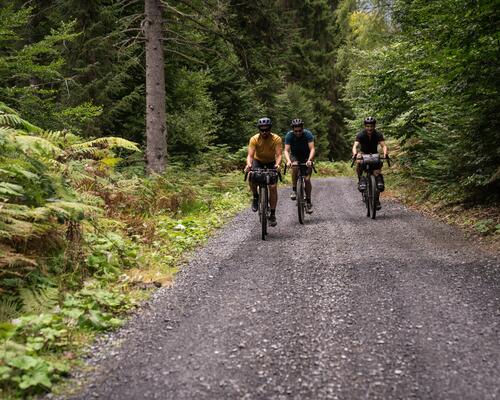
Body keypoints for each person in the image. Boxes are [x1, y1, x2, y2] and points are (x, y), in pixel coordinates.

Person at [245, 117, 282, 226]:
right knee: (251, 176)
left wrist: (278, 164)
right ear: (259, 129)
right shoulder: (254, 139)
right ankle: (256, 197)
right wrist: (249, 165)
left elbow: (279, 155)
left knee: (273, 187)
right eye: (262, 129)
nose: (264, 132)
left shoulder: (276, 139)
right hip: (258, 161)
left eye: (266, 129)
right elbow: (250, 155)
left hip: (271, 162)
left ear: (270, 129)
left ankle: (273, 214)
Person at [352, 116, 388, 210]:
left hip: (374, 154)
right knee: (359, 160)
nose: (369, 128)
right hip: (363, 153)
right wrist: (355, 153)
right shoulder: (361, 134)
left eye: (371, 126)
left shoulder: (378, 134)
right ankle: (361, 180)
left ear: (374, 126)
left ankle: (376, 200)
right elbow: (355, 145)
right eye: (368, 126)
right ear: (365, 126)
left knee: (377, 176)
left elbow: (383, 145)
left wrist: (385, 152)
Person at [284, 118, 315, 213]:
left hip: (306, 156)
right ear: (293, 130)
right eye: (296, 131)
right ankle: (294, 189)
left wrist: (310, 160)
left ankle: (308, 201)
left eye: (300, 130)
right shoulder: (289, 135)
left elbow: (312, 149)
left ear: (302, 128)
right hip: (295, 156)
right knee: (295, 166)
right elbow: (286, 150)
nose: (298, 133)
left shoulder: (308, 134)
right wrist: (288, 161)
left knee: (307, 179)